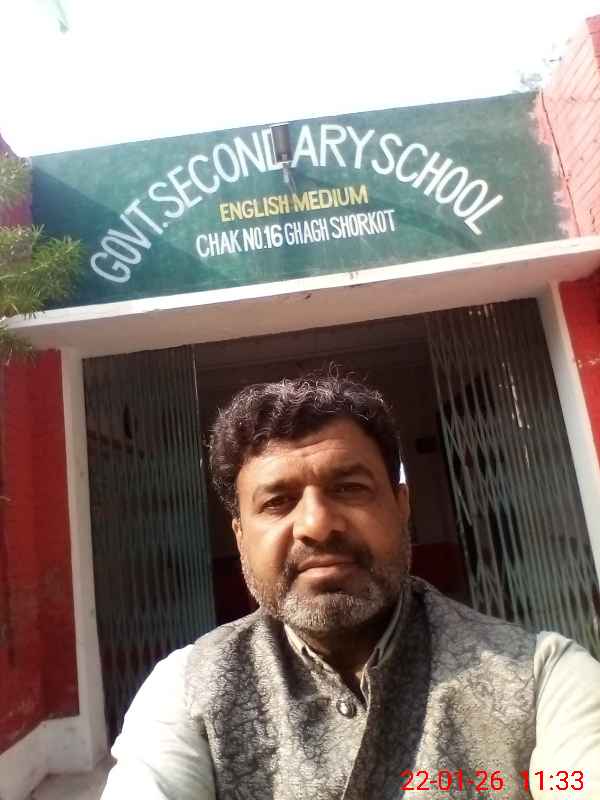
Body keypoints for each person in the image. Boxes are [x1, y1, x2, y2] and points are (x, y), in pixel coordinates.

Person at [101, 373, 600, 800]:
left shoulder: (545, 679)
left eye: (349, 488)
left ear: (401, 506)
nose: (317, 525)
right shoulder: (185, 690)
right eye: (277, 502)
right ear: (240, 537)